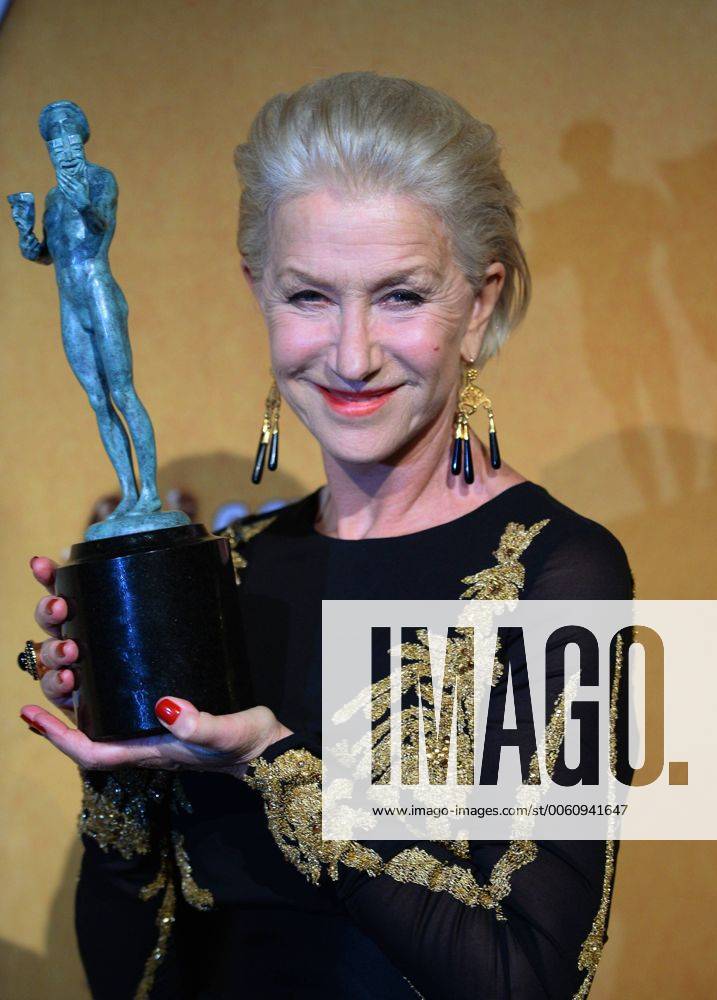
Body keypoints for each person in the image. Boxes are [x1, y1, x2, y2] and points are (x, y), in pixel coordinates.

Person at [19, 72, 635, 999]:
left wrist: (271, 762)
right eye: (309, 296)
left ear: (479, 302)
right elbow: (127, 972)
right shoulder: (224, 573)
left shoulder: (571, 569)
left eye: (400, 297)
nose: (350, 355)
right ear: (257, 290)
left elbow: (535, 979)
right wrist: (119, 758)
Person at [9, 99, 162, 520]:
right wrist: (27, 239)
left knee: (122, 391)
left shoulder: (99, 181)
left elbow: (100, 228)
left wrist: (84, 203)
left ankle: (150, 490)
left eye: (69, 140)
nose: (64, 150)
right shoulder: (53, 198)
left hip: (99, 293)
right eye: (56, 145)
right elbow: (51, 253)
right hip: (70, 302)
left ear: (81, 140)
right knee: (98, 400)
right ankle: (128, 494)